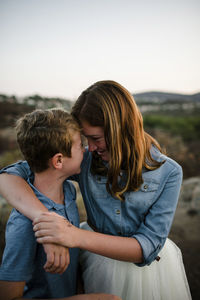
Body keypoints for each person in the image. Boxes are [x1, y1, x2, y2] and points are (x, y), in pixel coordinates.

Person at [0, 81, 192, 300]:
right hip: (96, 263)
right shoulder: (85, 160)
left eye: (96, 139)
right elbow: (11, 174)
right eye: (85, 139)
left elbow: (147, 247)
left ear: (121, 129)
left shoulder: (169, 172)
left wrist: (70, 235)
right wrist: (47, 225)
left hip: (149, 273)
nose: (90, 147)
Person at [0, 108, 120, 300]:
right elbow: (9, 296)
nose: (86, 149)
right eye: (80, 145)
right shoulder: (24, 223)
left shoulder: (69, 192)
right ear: (58, 160)